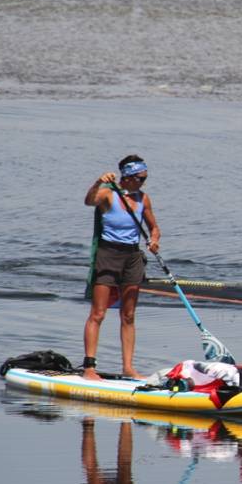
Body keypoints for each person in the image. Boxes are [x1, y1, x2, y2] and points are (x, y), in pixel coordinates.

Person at [82, 155, 160, 380]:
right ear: (127, 177)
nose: (143, 182)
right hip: (108, 254)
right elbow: (89, 201)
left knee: (129, 315)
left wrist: (154, 240)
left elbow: (154, 228)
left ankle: (128, 368)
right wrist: (98, 182)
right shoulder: (108, 195)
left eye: (145, 178)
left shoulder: (143, 199)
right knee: (98, 313)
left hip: (132, 257)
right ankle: (89, 368)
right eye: (140, 178)